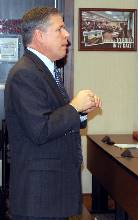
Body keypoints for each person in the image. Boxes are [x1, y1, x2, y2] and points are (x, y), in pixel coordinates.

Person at [4, 7, 102, 220]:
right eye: (60, 29)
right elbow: (40, 130)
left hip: (52, 193)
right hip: (39, 197)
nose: (67, 35)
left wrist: (81, 112)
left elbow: (54, 118)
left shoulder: (45, 69)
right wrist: (74, 107)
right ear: (39, 35)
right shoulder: (25, 74)